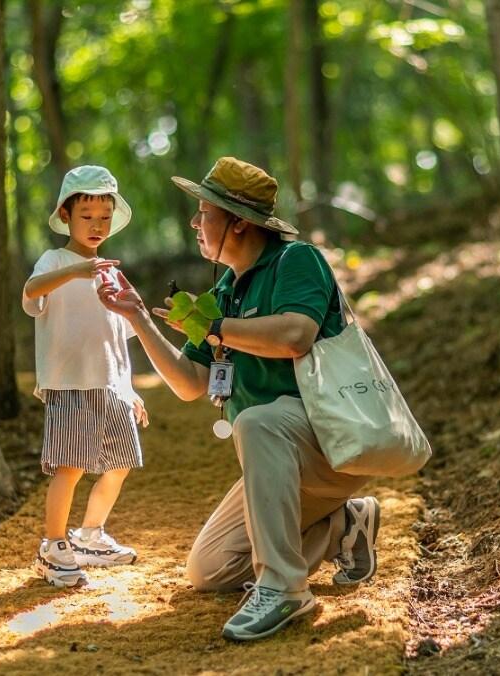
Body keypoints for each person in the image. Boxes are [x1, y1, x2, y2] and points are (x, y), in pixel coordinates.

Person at [98, 157, 381, 641]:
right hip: (281, 463)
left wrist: (214, 329)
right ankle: (345, 526)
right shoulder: (225, 290)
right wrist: (138, 318)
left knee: (257, 421)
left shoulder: (297, 260)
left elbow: (296, 334)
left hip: (336, 445)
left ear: (238, 222)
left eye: (203, 211)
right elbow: (191, 383)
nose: (194, 223)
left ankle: (285, 587)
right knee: (209, 569)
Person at [22, 165, 149, 588]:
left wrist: (130, 389)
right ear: (66, 216)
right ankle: (53, 546)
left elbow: (120, 335)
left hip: (111, 382)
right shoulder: (55, 261)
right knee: (71, 465)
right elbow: (32, 291)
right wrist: (75, 271)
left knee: (120, 462)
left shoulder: (111, 270)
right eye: (87, 216)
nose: (96, 225)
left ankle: (90, 535)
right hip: (69, 381)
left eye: (104, 217)